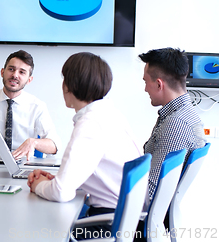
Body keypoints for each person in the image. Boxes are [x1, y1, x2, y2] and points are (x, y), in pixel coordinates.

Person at [27, 52, 141, 240]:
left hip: (106, 223)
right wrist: (56, 179)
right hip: (123, 219)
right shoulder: (110, 114)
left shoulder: (90, 124)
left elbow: (61, 192)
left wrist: (38, 185)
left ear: (68, 86)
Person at [140, 47, 206, 203]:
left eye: (145, 82)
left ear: (158, 84)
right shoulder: (183, 114)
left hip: (142, 220)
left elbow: (151, 192)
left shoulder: (175, 124)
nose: (144, 89)